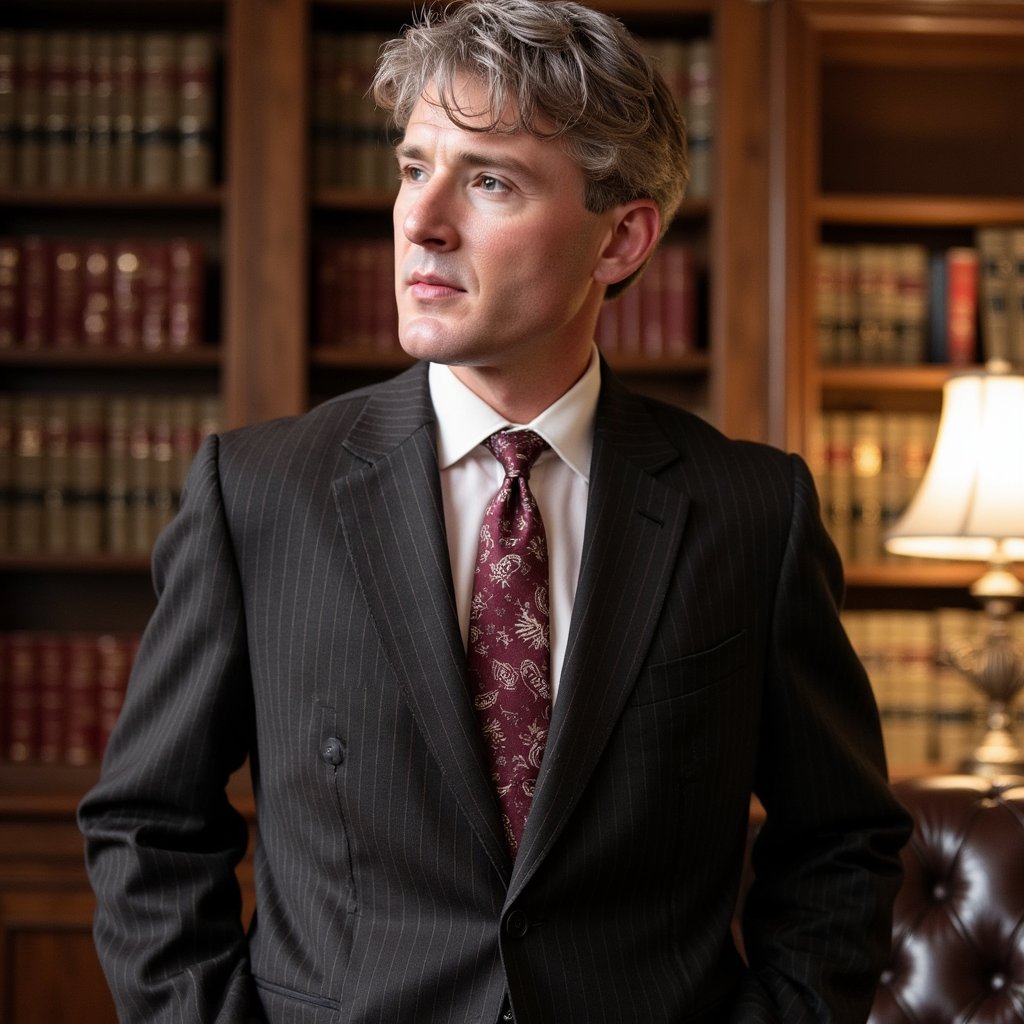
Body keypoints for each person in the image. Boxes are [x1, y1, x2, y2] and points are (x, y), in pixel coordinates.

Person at [78, 2, 912, 1022]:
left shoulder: (752, 510)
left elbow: (841, 838)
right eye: (412, 166)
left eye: (487, 180)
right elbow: (147, 823)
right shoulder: (257, 491)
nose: (422, 221)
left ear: (622, 237)